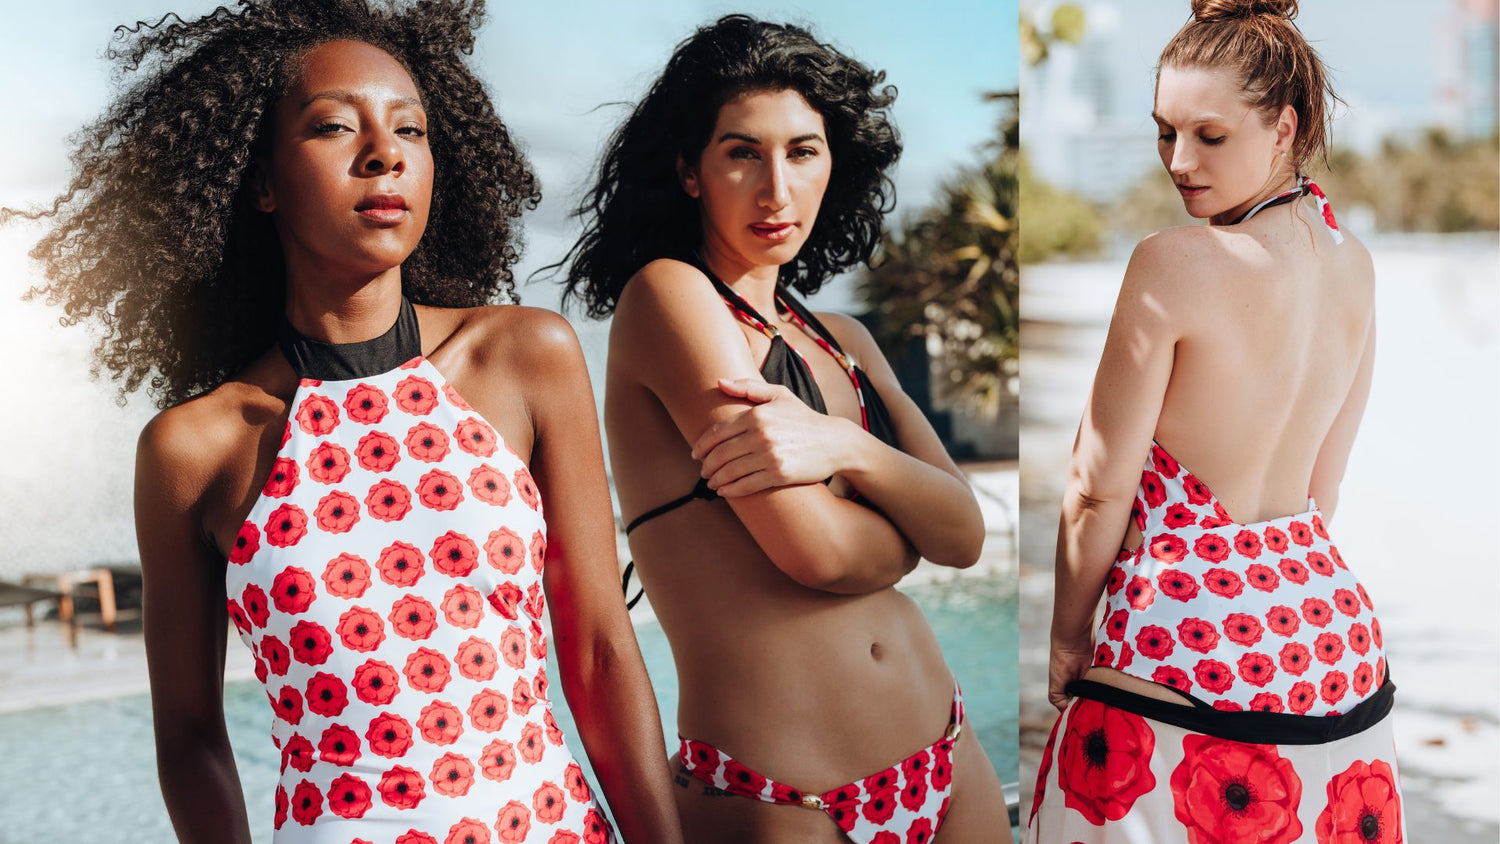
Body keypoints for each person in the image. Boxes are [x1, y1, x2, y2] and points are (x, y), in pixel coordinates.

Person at [6, 1, 684, 841]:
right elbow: (189, 738)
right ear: (258, 181)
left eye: (412, 130)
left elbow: (598, 651)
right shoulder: (197, 447)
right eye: (334, 127)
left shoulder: (522, 357)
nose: (385, 155)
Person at [556, 14, 1011, 844]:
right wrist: (908, 520)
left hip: (945, 753)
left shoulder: (843, 339)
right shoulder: (669, 298)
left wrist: (847, 448)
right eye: (742, 152)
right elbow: (820, 554)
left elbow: (969, 533)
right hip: (781, 795)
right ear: (690, 170)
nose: (776, 189)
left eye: (803, 151)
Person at [1029, 1, 1402, 842]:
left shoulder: (1174, 262)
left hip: (1183, 634)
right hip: (1333, 637)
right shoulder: (1355, 265)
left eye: (1210, 135)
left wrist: (1066, 638)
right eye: (1165, 133)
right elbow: (1322, 486)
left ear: (1284, 126)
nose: (1179, 162)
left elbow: (1096, 487)